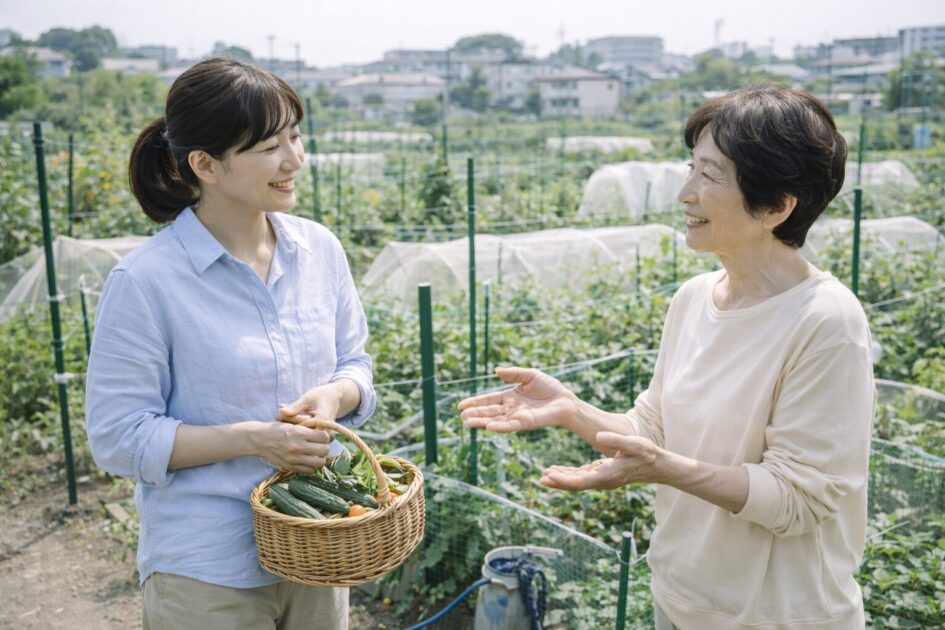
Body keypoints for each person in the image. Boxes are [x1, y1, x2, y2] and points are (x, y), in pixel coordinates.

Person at [459, 84, 875, 629]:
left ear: (776, 206)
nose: (685, 193)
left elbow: (798, 500)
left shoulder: (826, 321)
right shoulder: (694, 299)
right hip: (679, 600)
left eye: (709, 175)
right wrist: (572, 409)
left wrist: (663, 470)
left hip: (775, 616)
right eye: (690, 168)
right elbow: (654, 427)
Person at [85, 57, 375, 630]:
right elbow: (118, 437)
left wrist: (335, 396)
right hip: (206, 567)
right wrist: (254, 440)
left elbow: (355, 364)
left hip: (316, 545)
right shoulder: (146, 281)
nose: (293, 160)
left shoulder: (320, 251)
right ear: (205, 165)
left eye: (295, 136)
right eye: (270, 146)